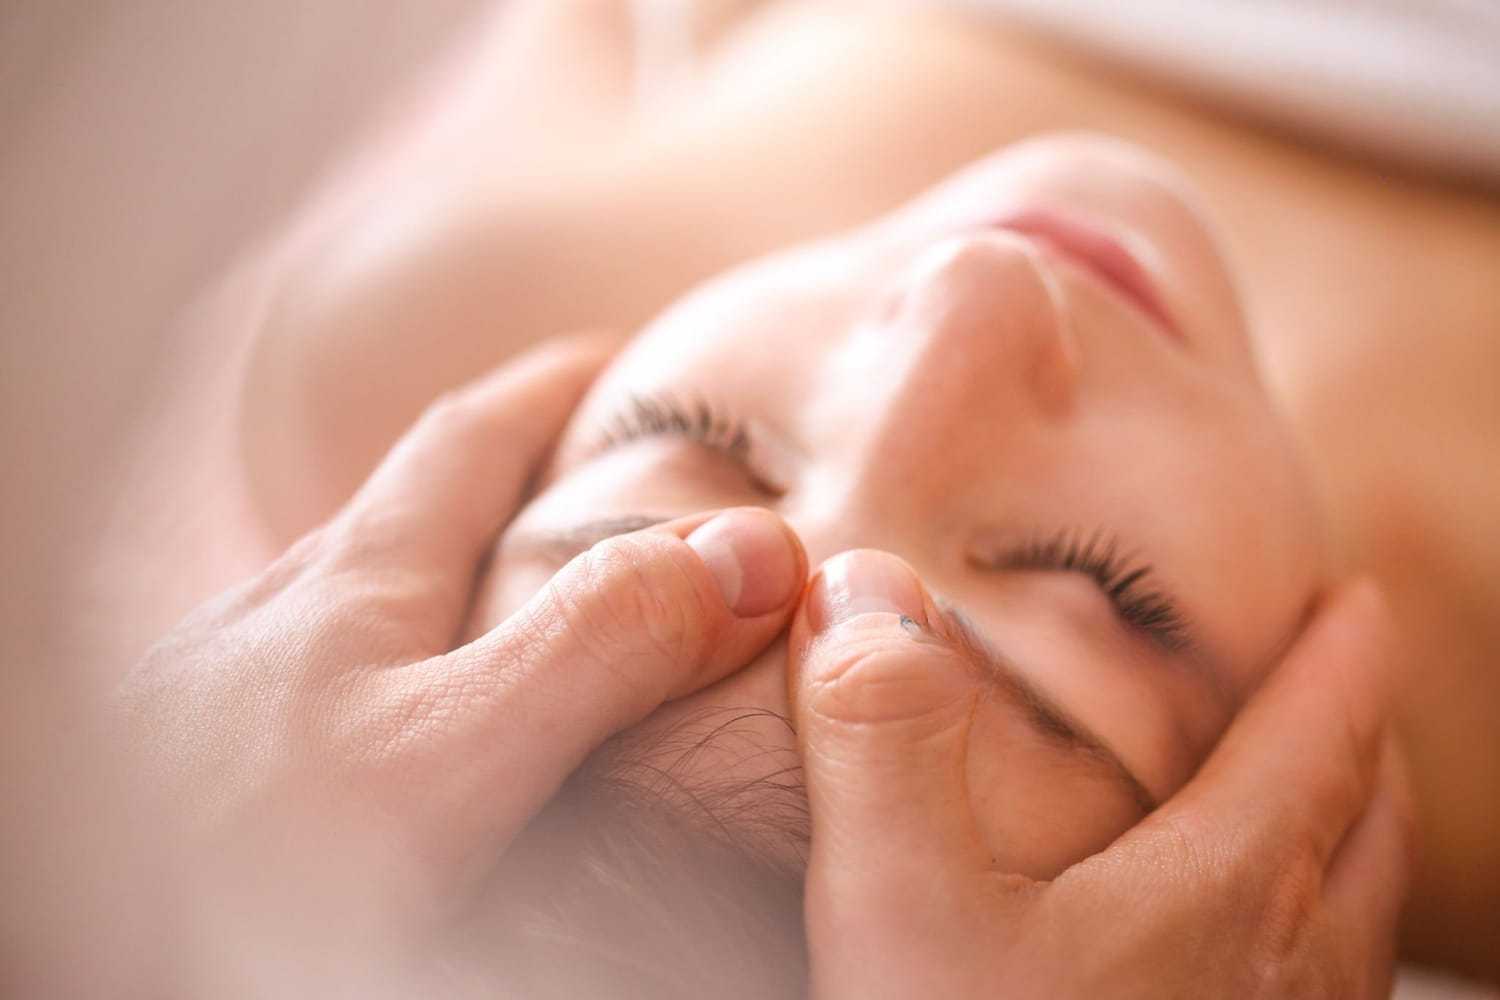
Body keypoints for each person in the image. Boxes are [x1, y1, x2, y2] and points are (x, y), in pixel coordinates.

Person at [95, 0, 1497, 991]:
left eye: (693, 441)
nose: (964, 301)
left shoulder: (412, 342)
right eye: (1091, 584)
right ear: (1281, 863)